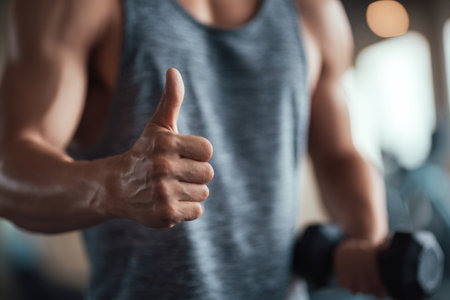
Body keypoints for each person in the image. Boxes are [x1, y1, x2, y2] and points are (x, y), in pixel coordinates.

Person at [0, 0, 388, 299]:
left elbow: (339, 154)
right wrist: (114, 184)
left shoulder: (313, 11)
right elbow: (10, 168)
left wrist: (367, 235)